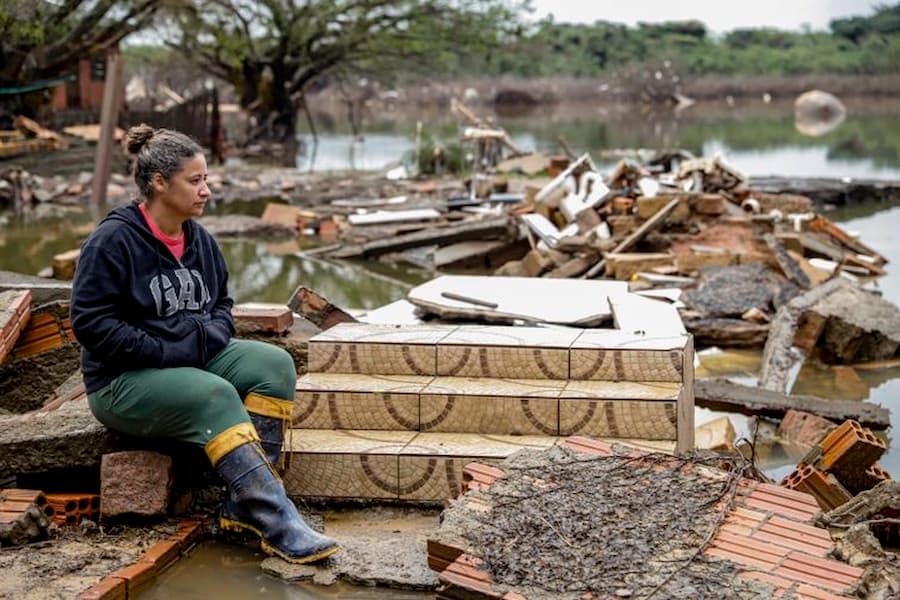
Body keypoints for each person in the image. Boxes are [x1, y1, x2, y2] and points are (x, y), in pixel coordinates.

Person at [70, 125, 338, 564]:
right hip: (122, 381)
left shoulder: (200, 241)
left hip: (189, 362)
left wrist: (202, 341)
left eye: (206, 179)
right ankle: (277, 521)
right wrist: (168, 351)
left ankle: (242, 506)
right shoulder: (112, 242)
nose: (206, 190)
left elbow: (221, 307)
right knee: (214, 393)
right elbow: (92, 324)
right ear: (159, 182)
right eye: (195, 181)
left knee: (274, 365)